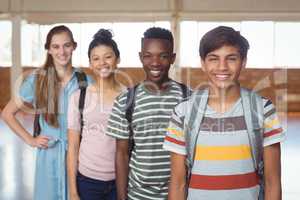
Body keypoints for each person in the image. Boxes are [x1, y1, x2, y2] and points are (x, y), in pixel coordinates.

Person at [163, 26, 285, 200]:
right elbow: (177, 183)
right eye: (213, 59)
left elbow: (273, 183)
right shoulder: (183, 112)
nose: (222, 67)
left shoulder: (263, 110)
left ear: (243, 62)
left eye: (231, 58)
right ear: (203, 63)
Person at [1, 25, 87, 199]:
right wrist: (31, 140)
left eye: (66, 45)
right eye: (55, 46)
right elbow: (7, 114)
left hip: (78, 157)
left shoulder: (84, 81)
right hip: (49, 156)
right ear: (48, 50)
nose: (61, 51)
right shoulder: (37, 80)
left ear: (74, 46)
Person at [106, 27, 190, 200]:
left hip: (179, 194)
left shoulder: (188, 97)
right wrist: (122, 198)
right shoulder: (126, 101)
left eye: (163, 56)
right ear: (140, 57)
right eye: (148, 55)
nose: (155, 62)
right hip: (138, 195)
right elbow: (121, 154)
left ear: (172, 58)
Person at [67, 29, 123, 200]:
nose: (102, 63)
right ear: (90, 64)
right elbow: (73, 147)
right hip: (87, 182)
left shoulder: (129, 96)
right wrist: (74, 192)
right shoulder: (79, 97)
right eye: (96, 58)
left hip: (120, 180)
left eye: (108, 56)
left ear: (117, 59)